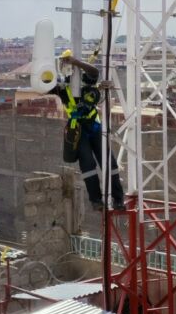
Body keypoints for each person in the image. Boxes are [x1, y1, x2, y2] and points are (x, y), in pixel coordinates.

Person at [50, 51, 125, 211]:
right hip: (78, 129)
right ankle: (96, 200)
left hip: (93, 126)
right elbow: (43, 86)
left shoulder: (85, 80)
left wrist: (76, 62)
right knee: (88, 164)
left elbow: (94, 72)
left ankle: (118, 199)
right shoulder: (62, 87)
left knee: (108, 163)